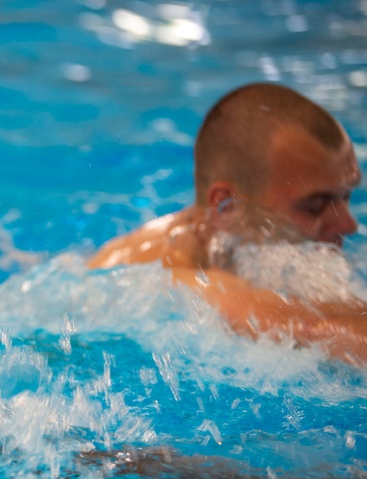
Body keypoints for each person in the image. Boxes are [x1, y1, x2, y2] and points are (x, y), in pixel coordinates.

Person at [88, 82, 366, 365]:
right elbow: (312, 327)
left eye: (345, 196)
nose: (348, 224)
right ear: (227, 206)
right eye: (315, 206)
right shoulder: (166, 273)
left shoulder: (237, 246)